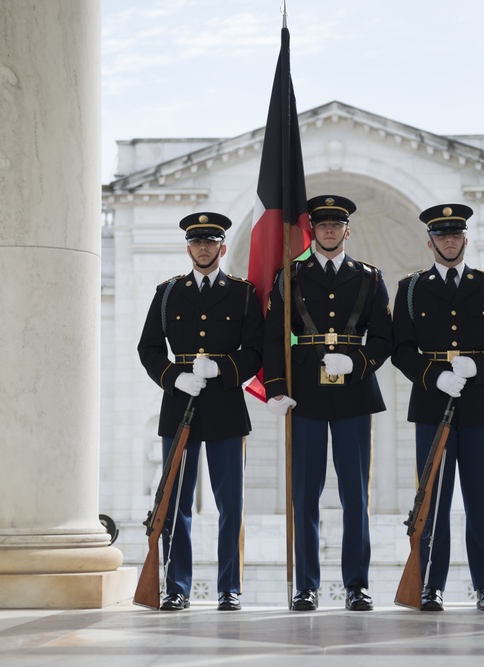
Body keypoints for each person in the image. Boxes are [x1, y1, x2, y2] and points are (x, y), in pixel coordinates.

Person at [263, 195, 393, 612]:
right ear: (313, 231)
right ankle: (307, 585)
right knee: (306, 493)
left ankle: (357, 584)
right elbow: (273, 336)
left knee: (356, 494)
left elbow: (385, 338)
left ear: (347, 230)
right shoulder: (291, 276)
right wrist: (277, 387)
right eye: (323, 225)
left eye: (337, 225)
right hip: (306, 392)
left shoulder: (370, 278)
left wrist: (357, 362)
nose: (330, 231)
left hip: (354, 392)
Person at [392, 203, 484, 612]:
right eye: (441, 236)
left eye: (455, 235)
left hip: (479, 405)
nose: (449, 241)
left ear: (465, 239)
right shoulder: (410, 287)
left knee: (481, 501)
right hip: (432, 404)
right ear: (430, 242)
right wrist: (435, 375)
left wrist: (478, 365)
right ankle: (431, 584)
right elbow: (400, 350)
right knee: (433, 499)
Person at [137, 212, 264, 612]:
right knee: (175, 501)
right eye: (197, 242)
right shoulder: (169, 293)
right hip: (180, 403)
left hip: (225, 403)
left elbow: (256, 351)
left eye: (211, 241)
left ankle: (230, 587)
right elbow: (150, 348)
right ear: (188, 247)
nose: (204, 248)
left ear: (223, 247)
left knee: (230, 504)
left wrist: (223, 368)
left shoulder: (243, 294)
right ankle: (177, 586)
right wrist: (173, 377)